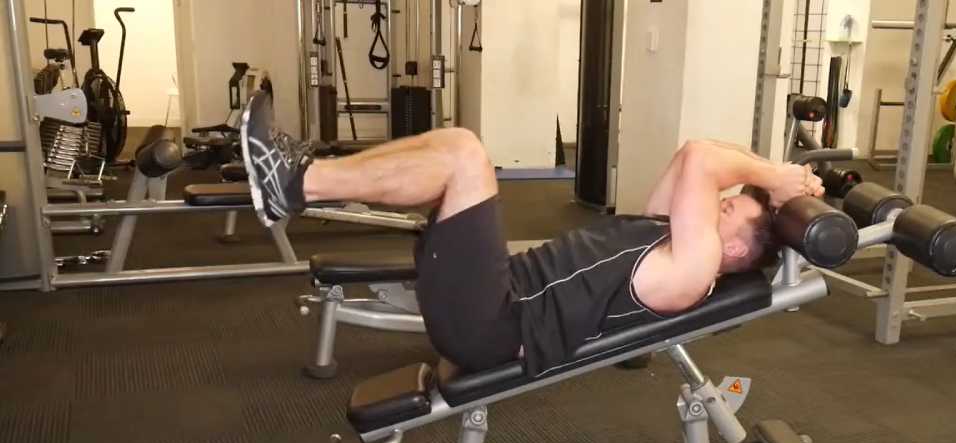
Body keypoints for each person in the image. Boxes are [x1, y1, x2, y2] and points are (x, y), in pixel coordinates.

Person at [241, 92, 824, 378]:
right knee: (458, 144)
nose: (716, 201)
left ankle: (293, 183)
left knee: (466, 157)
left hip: (494, 326)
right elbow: (695, 152)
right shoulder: (666, 232)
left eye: (728, 210)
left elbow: (703, 160)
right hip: (500, 296)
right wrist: (775, 182)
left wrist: (776, 178)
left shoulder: (692, 274)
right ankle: (303, 174)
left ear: (734, 249)